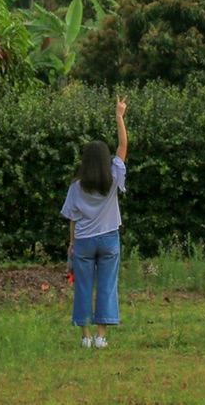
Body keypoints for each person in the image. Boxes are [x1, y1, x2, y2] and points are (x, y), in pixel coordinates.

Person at [62, 96, 128, 348]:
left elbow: (73, 220)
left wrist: (71, 244)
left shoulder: (77, 186)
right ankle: (102, 336)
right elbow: (123, 146)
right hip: (109, 238)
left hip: (84, 242)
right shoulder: (113, 177)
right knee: (106, 286)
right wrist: (119, 116)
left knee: (83, 287)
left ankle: (85, 337)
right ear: (105, 159)